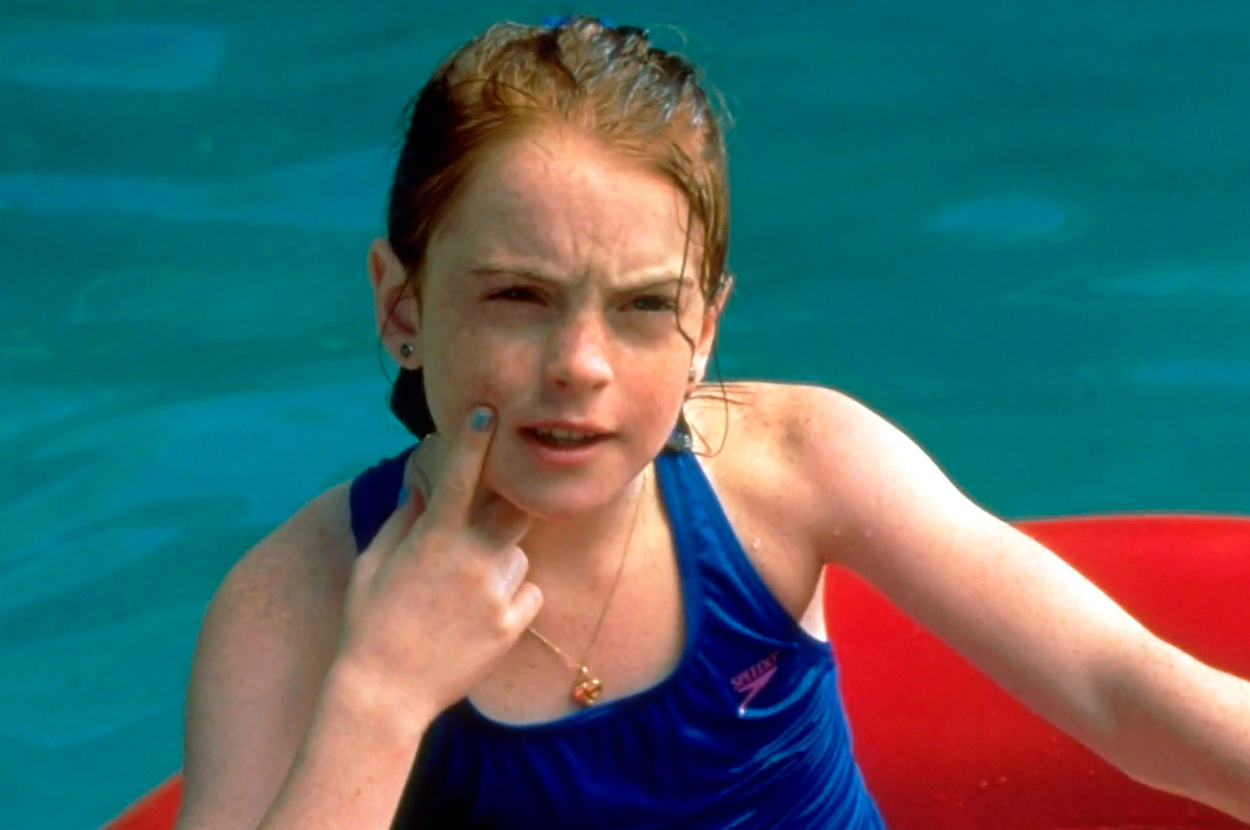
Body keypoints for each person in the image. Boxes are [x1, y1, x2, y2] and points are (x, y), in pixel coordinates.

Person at [172, 15, 1250, 830]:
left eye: (644, 307)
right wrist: (379, 691)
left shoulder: (795, 470)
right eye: (516, 296)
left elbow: (1122, 690)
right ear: (401, 306)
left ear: (705, 328)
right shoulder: (294, 608)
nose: (580, 366)